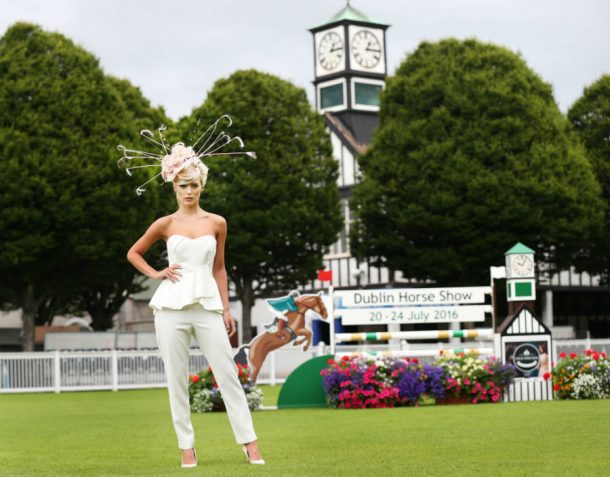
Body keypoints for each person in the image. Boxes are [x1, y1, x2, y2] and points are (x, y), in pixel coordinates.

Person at [126, 141, 264, 468]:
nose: (189, 191)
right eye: (183, 185)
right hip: (170, 308)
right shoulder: (165, 224)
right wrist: (157, 273)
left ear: (203, 185)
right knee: (175, 378)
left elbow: (219, 268)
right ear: (174, 186)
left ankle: (250, 442)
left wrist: (227, 308)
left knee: (228, 372)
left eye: (194, 185)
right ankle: (186, 447)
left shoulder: (217, 223)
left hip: (207, 306)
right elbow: (133, 253)